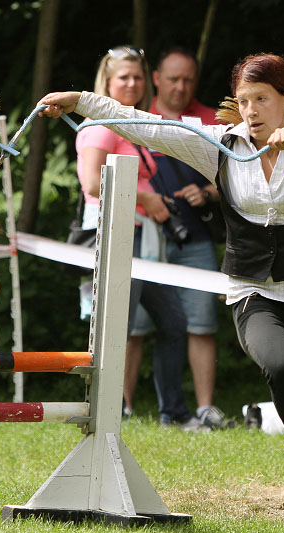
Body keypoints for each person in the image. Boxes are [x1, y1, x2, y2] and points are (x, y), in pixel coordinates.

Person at [38, 52, 284, 533]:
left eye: (262, 99)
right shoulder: (219, 145)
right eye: (243, 101)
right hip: (253, 295)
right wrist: (81, 100)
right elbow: (146, 126)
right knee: (281, 366)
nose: (251, 111)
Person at [75, 45, 199, 431]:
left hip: (142, 240)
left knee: (174, 323)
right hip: (114, 238)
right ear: (107, 83)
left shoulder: (134, 126)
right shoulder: (99, 124)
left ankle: (173, 414)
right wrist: (146, 197)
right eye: (123, 77)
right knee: (118, 330)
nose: (131, 83)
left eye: (137, 77)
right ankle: (104, 411)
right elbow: (92, 182)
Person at [124, 47, 230, 431]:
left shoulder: (211, 120)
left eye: (188, 80)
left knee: (200, 323)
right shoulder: (136, 117)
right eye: (173, 79)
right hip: (144, 234)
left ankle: (203, 408)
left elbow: (236, 175)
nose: (180, 87)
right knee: (132, 326)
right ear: (155, 78)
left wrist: (209, 193)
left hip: (196, 235)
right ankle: (125, 408)